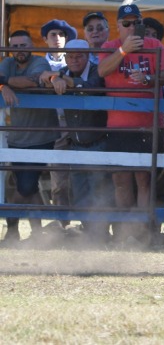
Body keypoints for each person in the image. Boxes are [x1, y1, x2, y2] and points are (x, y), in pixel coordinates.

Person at [98, 4, 164, 245]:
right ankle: (124, 230)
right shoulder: (109, 47)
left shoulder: (155, 46)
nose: (131, 27)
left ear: (141, 23)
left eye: (135, 22)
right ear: (118, 26)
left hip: (147, 124)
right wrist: (123, 50)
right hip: (117, 124)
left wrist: (150, 79)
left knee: (144, 179)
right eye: (126, 23)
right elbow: (101, 71)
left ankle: (143, 232)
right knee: (120, 180)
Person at [40, 38, 112, 243]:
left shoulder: (98, 71)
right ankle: (90, 234)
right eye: (70, 56)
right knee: (80, 191)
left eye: (79, 56)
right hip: (77, 143)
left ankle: (100, 234)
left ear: (87, 56)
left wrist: (62, 79)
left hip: (98, 141)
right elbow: (43, 76)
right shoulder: (63, 71)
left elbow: (90, 86)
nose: (74, 60)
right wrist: (54, 78)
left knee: (99, 189)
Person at [0, 31, 60, 243]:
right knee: (29, 186)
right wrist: (2, 85)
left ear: (31, 45)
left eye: (22, 45)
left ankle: (12, 229)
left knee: (25, 186)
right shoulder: (7, 63)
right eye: (14, 46)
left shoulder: (39, 62)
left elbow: (33, 82)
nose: (18, 50)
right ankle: (36, 232)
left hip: (41, 135)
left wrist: (4, 82)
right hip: (17, 137)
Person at [40, 19, 78, 223]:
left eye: (61, 35)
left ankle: (88, 224)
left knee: (83, 175)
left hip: (77, 123)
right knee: (59, 178)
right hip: (52, 124)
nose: (57, 39)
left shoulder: (74, 61)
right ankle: (62, 221)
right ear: (45, 39)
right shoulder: (39, 64)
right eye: (53, 35)